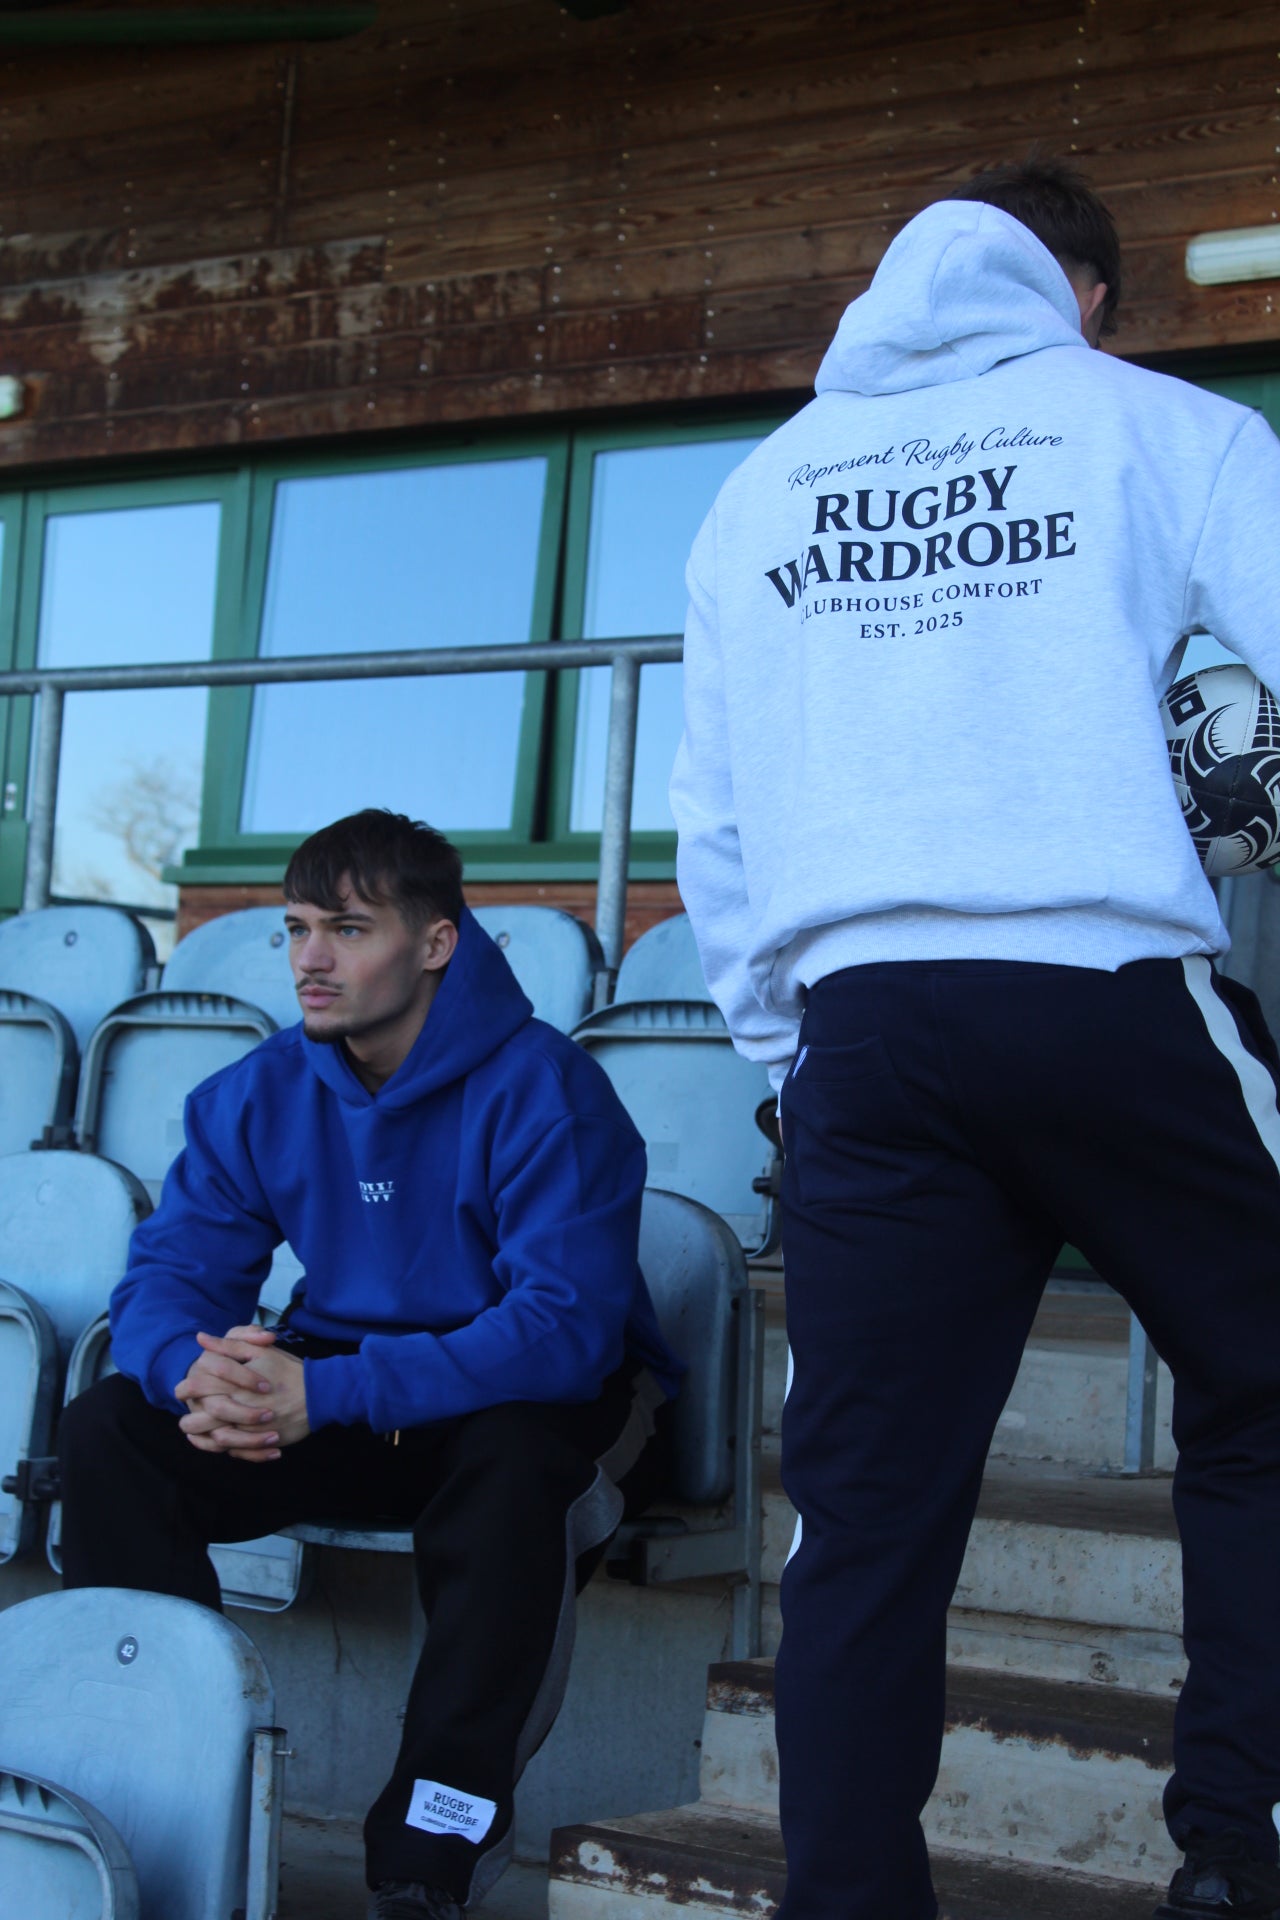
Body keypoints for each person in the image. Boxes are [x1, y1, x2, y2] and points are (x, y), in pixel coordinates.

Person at [669, 159, 1280, 1920]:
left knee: (863, 1517)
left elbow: (712, 818)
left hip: (860, 1031)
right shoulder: (1169, 427)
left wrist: (787, 1049)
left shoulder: (759, 490)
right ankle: (1239, 1847)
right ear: (1081, 295)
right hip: (1105, 988)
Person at [58, 807, 681, 1920]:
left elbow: (562, 1331)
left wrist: (327, 1390)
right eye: (298, 928)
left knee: (512, 1474)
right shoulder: (261, 1092)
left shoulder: (547, 1090)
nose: (310, 959)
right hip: (346, 1392)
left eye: (348, 929)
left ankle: (426, 1860)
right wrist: (195, 1375)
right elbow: (170, 1278)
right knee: (112, 1429)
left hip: (538, 1397)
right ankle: (157, 1783)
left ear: (436, 942)